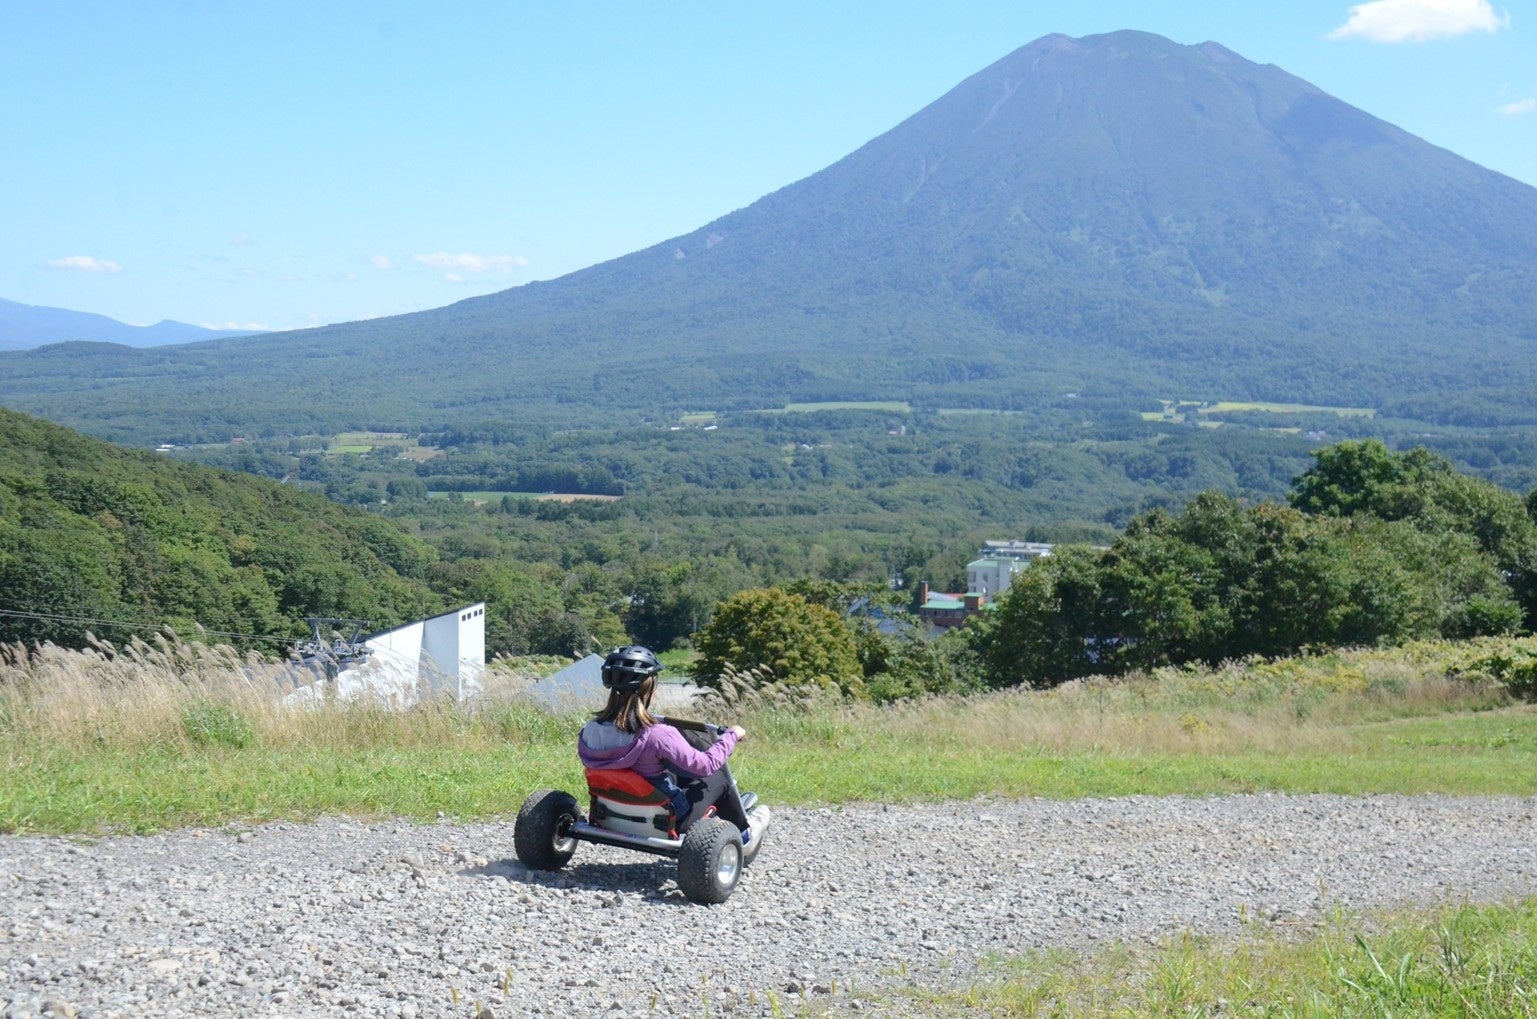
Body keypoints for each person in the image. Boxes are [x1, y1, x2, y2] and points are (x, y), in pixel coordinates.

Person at [577, 645, 748, 833]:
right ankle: (741, 834)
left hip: (610, 813)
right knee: (719, 777)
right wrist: (731, 736)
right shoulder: (658, 735)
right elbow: (705, 765)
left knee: (672, 774)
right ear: (648, 691)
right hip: (669, 819)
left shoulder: (590, 730)